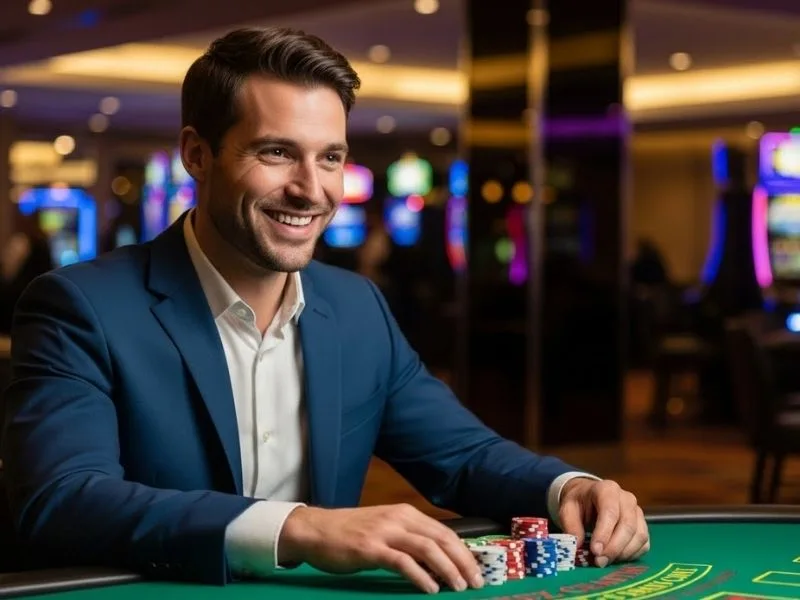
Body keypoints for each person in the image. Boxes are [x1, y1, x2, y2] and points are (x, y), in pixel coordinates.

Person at [1, 27, 649, 594]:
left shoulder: (356, 305)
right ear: (197, 154)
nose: (312, 191)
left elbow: (464, 455)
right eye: (277, 152)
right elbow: (62, 499)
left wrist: (569, 487)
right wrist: (300, 527)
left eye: (331, 157)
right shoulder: (82, 305)